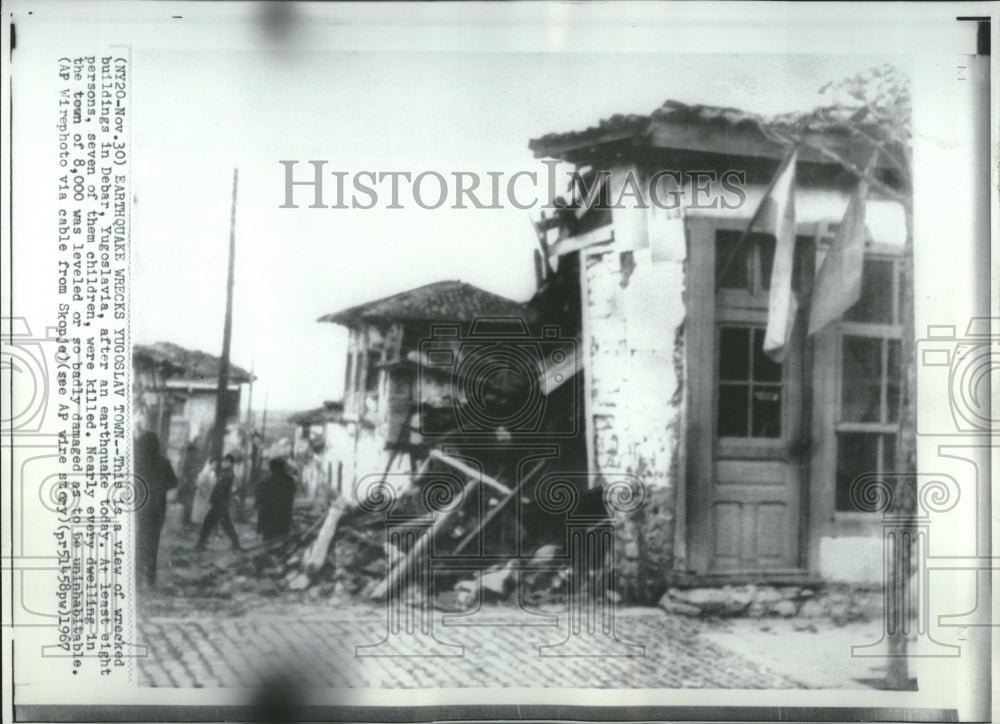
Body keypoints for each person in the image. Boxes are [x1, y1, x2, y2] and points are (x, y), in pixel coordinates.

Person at [134, 431, 178, 586]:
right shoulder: (164, 462)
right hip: (158, 509)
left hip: (139, 507)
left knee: (139, 539)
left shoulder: (136, 462)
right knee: (153, 541)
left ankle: (136, 575)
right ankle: (150, 577)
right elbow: (173, 483)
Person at [195, 454, 241, 551]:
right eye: (224, 461)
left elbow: (220, 490)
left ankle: (200, 544)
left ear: (231, 464)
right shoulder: (225, 473)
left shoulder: (228, 475)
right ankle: (236, 543)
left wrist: (213, 499)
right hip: (220, 504)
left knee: (210, 523)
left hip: (220, 504)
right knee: (224, 524)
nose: (224, 463)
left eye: (227, 462)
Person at [256, 457, 297, 541]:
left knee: (268, 547)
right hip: (284, 524)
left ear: (271, 468)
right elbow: (290, 503)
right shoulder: (290, 481)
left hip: (269, 525)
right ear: (283, 468)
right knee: (283, 547)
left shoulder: (265, 482)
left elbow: (262, 506)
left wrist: (260, 526)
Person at [178, 439, 202, 526]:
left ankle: (186, 521)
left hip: (189, 481)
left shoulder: (189, 456)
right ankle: (185, 522)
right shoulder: (189, 457)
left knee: (189, 502)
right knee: (188, 502)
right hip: (188, 482)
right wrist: (187, 477)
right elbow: (186, 469)